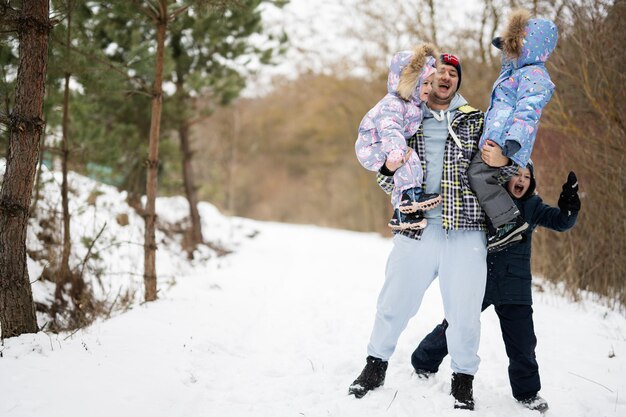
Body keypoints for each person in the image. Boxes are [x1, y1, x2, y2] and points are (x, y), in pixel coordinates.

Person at [349, 53, 515, 410]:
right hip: (417, 228)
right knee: (394, 302)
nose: (445, 77)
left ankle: (463, 380)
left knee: (465, 312)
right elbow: (382, 172)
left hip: (467, 231)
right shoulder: (406, 116)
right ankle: (374, 366)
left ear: (457, 82)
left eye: (452, 73)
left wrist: (506, 162)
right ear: (426, 78)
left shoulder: (477, 121)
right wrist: (391, 170)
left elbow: (506, 167)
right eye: (439, 71)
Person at [411, 162, 580, 413]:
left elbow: (561, 222)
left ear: (531, 181)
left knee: (523, 345)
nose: (521, 179)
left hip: (516, 288)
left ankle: (527, 394)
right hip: (481, 279)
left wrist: (569, 203)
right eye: (517, 175)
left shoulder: (532, 206)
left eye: (527, 176)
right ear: (506, 178)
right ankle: (423, 360)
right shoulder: (489, 200)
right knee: (456, 325)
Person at [467, 9, 559, 252]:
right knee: (479, 176)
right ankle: (502, 222)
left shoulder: (534, 75)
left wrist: (512, 144)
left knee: (478, 175)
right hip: (497, 141)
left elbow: (528, 111)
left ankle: (509, 222)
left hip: (506, 144)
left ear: (528, 48)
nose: (508, 52)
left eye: (513, 47)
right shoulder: (515, 72)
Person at [355, 43, 442, 231]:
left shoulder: (414, 105)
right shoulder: (392, 104)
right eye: (424, 83)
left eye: (430, 83)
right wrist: (395, 150)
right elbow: (390, 127)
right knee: (408, 157)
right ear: (411, 83)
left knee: (407, 160)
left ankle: (403, 214)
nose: (429, 88)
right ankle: (410, 196)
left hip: (386, 145)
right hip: (371, 146)